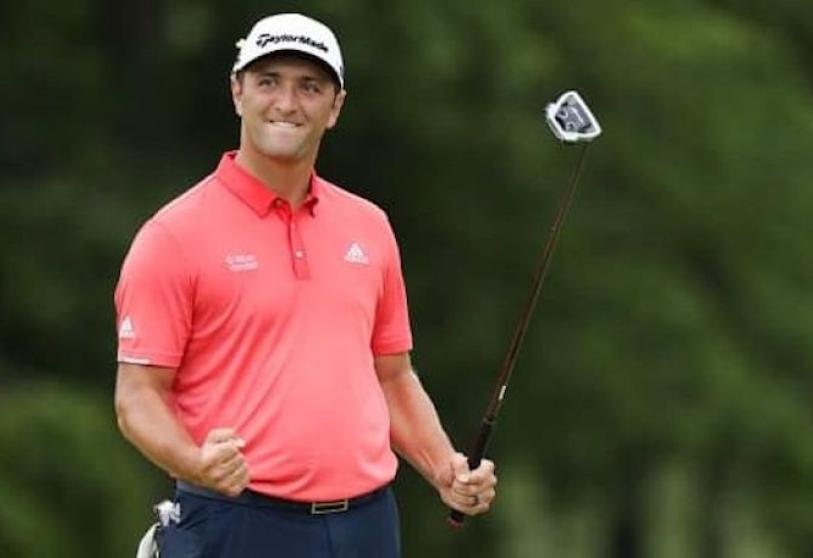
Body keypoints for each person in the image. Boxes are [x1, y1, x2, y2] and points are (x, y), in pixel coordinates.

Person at [114, 12, 497, 558]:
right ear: (238, 92)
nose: (287, 103)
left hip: (367, 525)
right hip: (237, 520)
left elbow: (392, 376)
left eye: (310, 87)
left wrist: (444, 468)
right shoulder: (173, 236)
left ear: (335, 106)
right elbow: (137, 397)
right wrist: (192, 461)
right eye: (269, 82)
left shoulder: (369, 226)